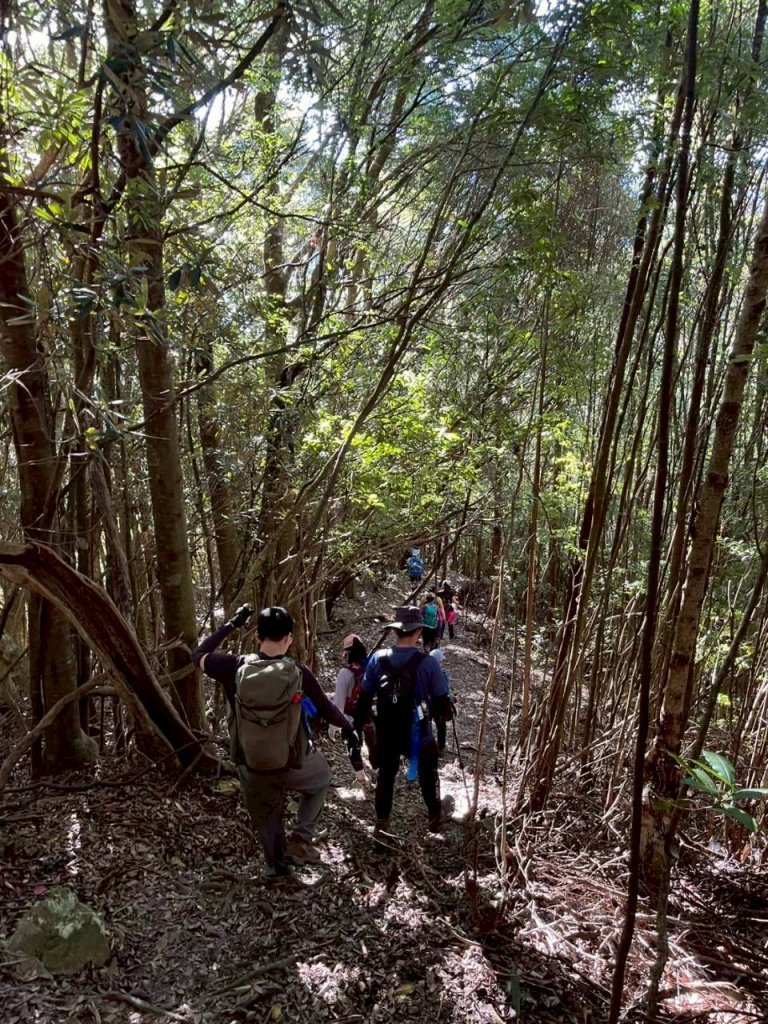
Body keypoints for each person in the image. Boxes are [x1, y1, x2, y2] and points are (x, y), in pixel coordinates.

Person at [193, 605, 364, 878]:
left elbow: (198, 655)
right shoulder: (297, 672)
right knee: (321, 780)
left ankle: (276, 867)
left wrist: (231, 624)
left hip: (249, 761)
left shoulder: (234, 666)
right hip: (292, 759)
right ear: (289, 639)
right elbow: (327, 709)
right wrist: (349, 728)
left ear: (257, 637)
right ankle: (300, 840)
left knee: (266, 815)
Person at [352, 606, 454, 841]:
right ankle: (434, 818)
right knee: (428, 774)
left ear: (396, 631)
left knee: (386, 776)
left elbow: (365, 697)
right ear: (418, 631)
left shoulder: (378, 659)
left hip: (387, 731)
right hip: (419, 732)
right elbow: (442, 702)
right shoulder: (428, 664)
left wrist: (357, 728)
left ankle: (382, 824)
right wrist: (445, 713)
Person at [331, 634, 378, 769]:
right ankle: (377, 768)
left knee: (353, 745)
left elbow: (339, 702)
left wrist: (333, 726)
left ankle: (361, 776)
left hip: (352, 716)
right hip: (371, 713)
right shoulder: (372, 668)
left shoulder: (344, 673)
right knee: (373, 743)